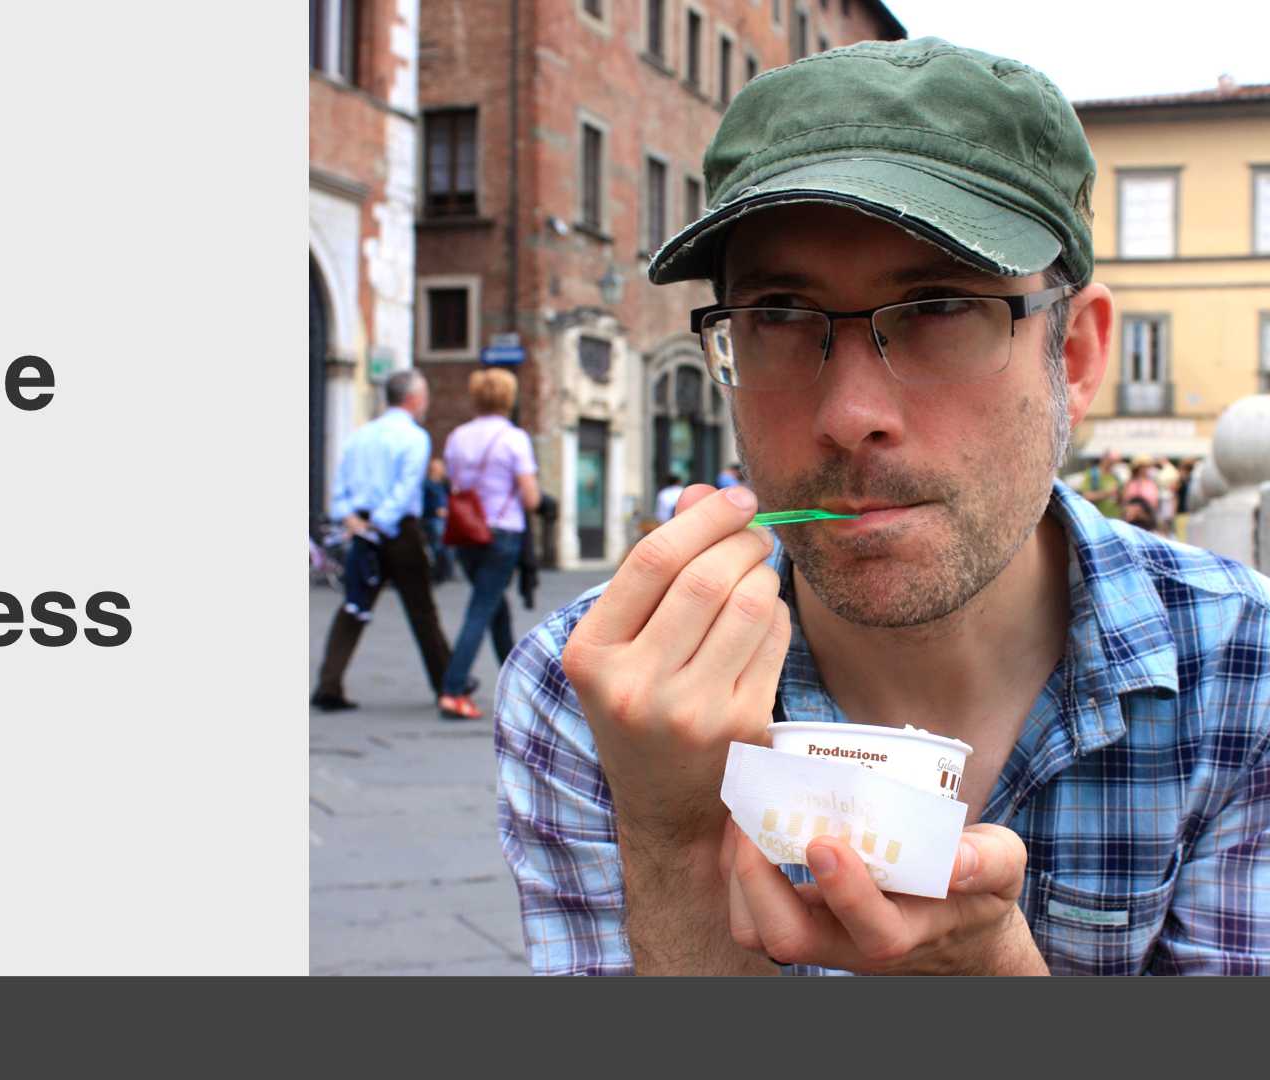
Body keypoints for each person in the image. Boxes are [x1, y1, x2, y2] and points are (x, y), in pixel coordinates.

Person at [495, 38, 1270, 975]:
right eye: (779, 314)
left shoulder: (1244, 673)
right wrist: (679, 839)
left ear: (1075, 356)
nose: (850, 417)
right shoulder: (597, 694)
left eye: (941, 307)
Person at [313, 369, 455, 711]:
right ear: (414, 398)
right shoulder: (414, 437)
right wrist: (379, 524)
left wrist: (352, 520)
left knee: (354, 605)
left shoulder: (359, 436)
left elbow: (340, 486)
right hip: (398, 531)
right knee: (422, 609)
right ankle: (448, 682)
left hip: (362, 528)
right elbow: (405, 489)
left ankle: (328, 684)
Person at [436, 368, 540, 720]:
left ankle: (518, 686)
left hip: (467, 532)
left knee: (496, 610)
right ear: (508, 399)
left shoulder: (457, 437)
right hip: (502, 533)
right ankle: (452, 689)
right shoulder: (513, 439)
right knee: (481, 608)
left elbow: (453, 482)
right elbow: (530, 498)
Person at [422, 457, 457, 583]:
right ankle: (440, 571)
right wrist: (434, 510)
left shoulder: (444, 484)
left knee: (448, 545)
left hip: (445, 519)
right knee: (438, 545)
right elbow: (422, 503)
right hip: (433, 519)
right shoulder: (426, 484)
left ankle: (447, 571)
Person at [1121, 456, 1163, 533]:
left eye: (1146, 467)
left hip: (1146, 520)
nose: (1145, 470)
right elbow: (1125, 501)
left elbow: (1154, 502)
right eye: (1143, 467)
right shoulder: (1130, 483)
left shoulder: (1151, 484)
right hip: (1131, 521)